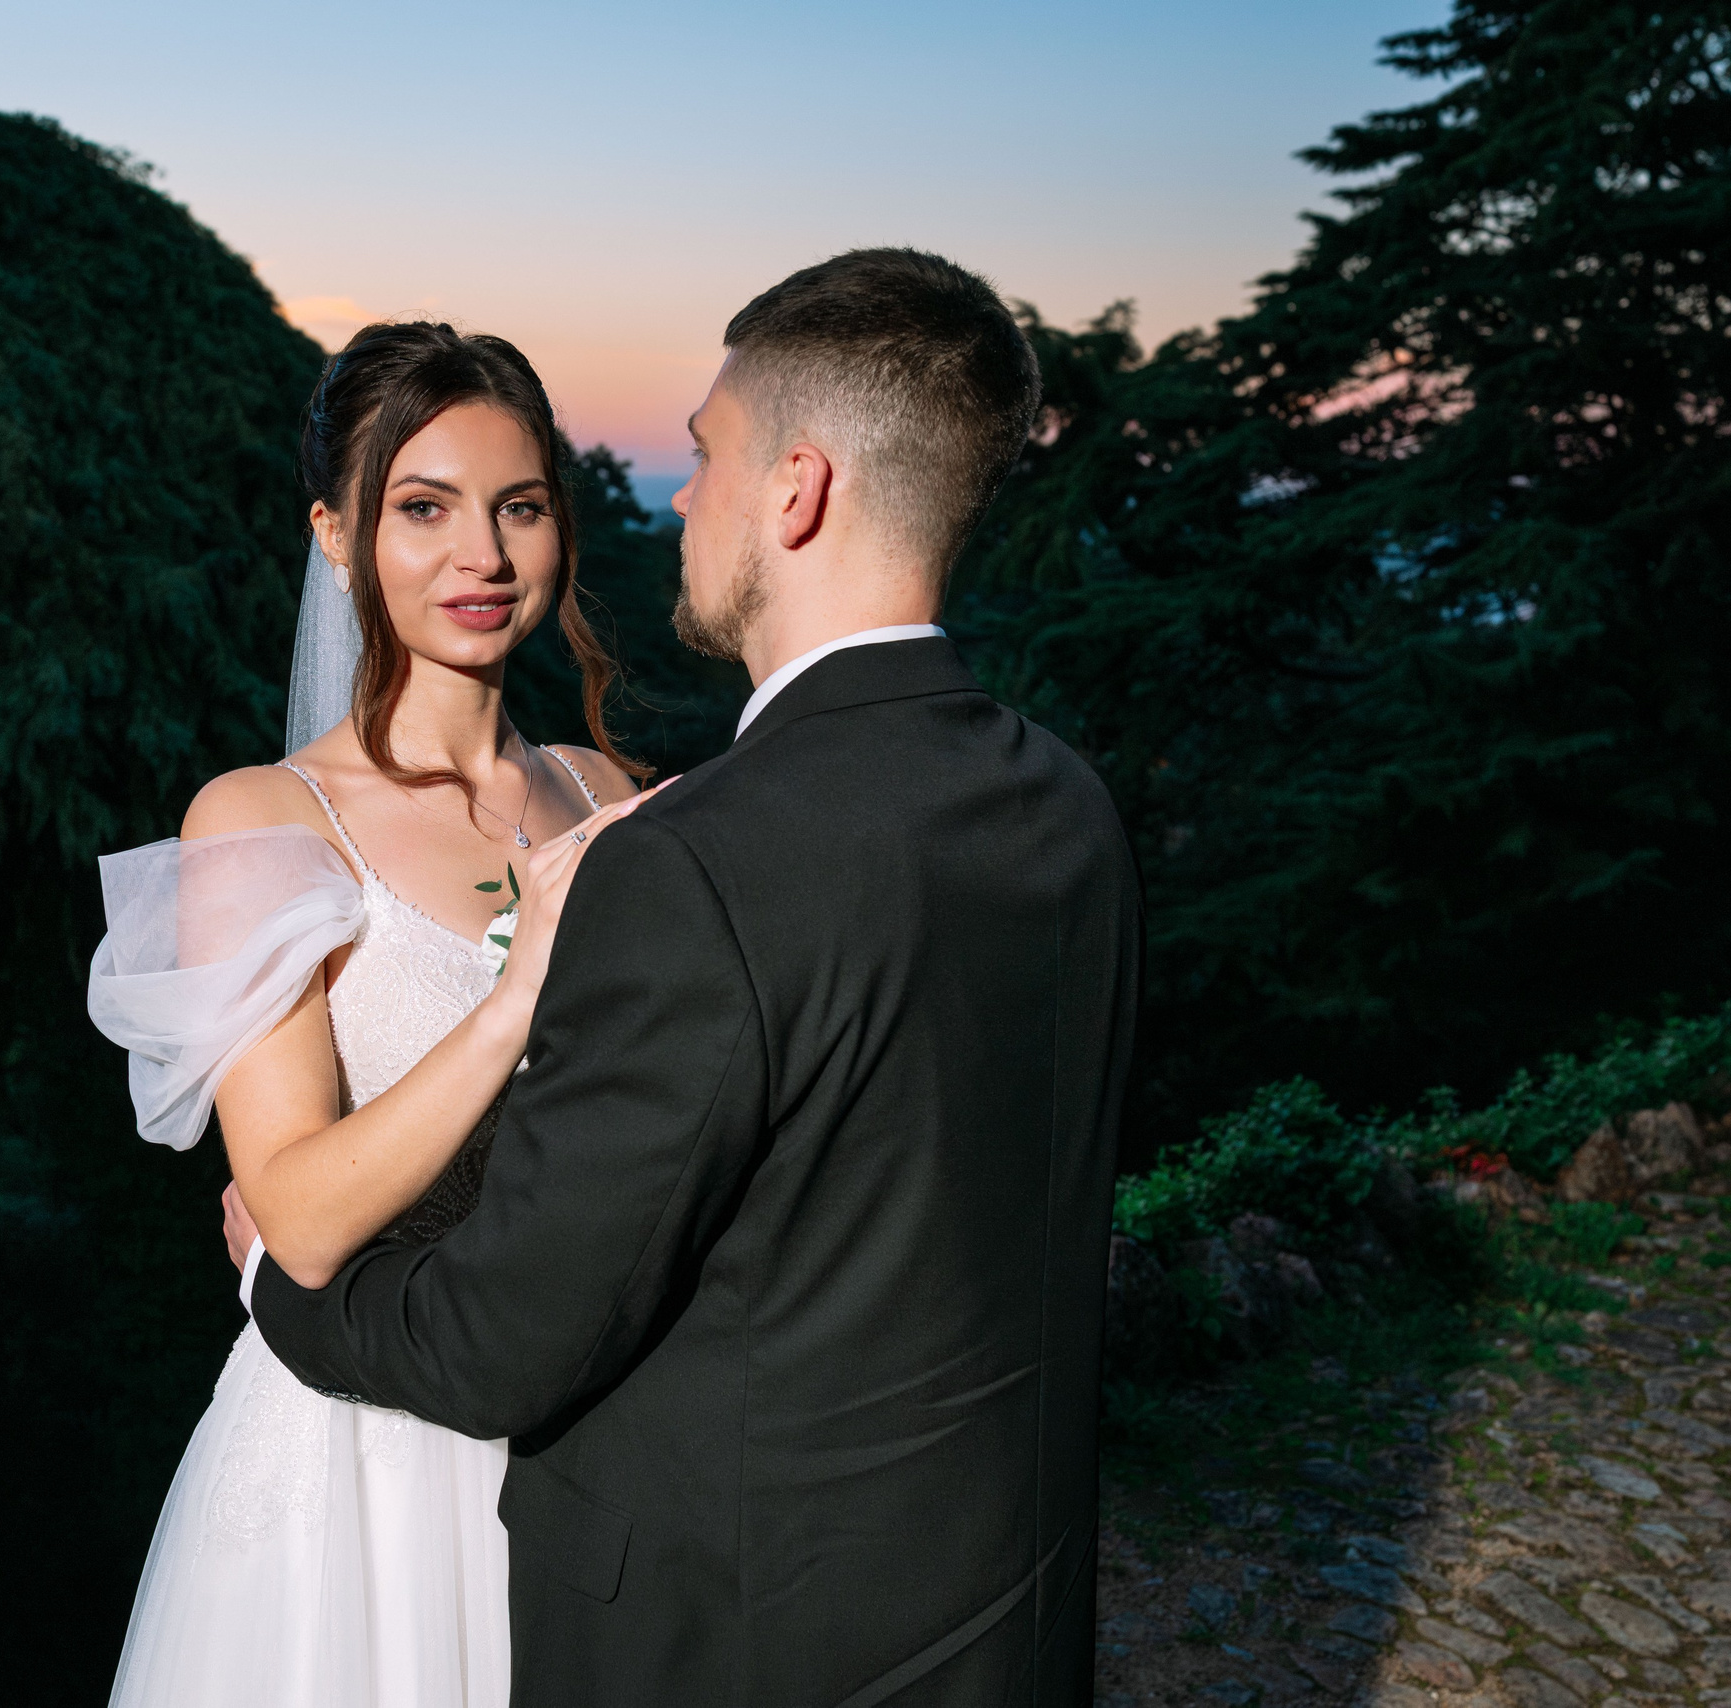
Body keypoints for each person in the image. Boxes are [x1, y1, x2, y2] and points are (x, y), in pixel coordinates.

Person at [246, 249, 1144, 1708]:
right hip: (1001, 1609)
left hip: (737, 1632)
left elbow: (496, 1345)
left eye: (710, 456)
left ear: (794, 492)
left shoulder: (682, 857)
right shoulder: (1071, 806)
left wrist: (273, 1291)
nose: (680, 500)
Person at [86, 320, 656, 1708]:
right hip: (362, 1463)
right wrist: (521, 990)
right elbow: (299, 1213)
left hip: (592, 1431)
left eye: (520, 507)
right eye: (423, 508)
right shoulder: (268, 820)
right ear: (336, 535)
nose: (486, 555)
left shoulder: (610, 798)